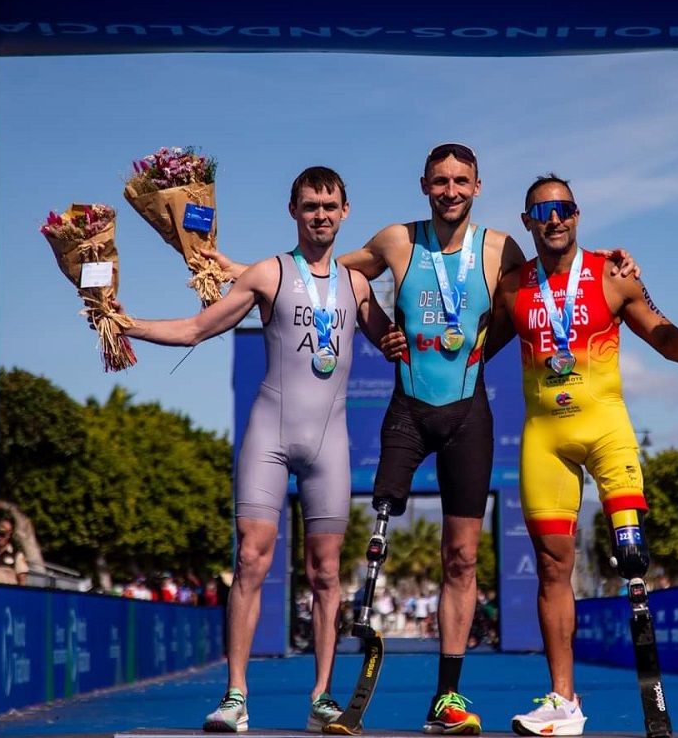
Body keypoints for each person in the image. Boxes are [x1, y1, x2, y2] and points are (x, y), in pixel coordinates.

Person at [215, 145, 636, 734]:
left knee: (461, 558)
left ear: (478, 186)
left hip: (470, 413)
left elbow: (553, 273)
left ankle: (446, 700)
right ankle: (327, 689)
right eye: (440, 181)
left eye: (461, 180)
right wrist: (236, 270)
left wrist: (615, 264)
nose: (451, 190)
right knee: (375, 547)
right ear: (424, 185)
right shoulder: (395, 241)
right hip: (408, 411)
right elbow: (326, 270)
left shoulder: (501, 249)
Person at [118, 166, 394, 734]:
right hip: (269, 434)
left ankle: (322, 698)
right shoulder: (269, 274)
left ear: (345, 213)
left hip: (329, 444)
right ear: (293, 211)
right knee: (250, 559)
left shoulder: (358, 286)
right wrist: (127, 324)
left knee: (324, 573)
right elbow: (198, 327)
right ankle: (235, 696)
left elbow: (394, 341)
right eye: (310, 205)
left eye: (330, 206)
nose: (320, 214)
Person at [484, 174, 678, 736]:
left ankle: (649, 685)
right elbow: (475, 351)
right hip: (544, 438)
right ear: (529, 222)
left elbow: (665, 338)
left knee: (631, 554)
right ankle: (564, 701)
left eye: (564, 208)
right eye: (542, 210)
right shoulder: (512, 288)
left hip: (607, 430)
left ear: (578, 215)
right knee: (554, 568)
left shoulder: (613, 275)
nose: (555, 218)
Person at [0, 513, 29, 585]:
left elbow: (22, 581)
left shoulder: (17, 555)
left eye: (3, 535)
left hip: (7, 594)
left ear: (9, 535)